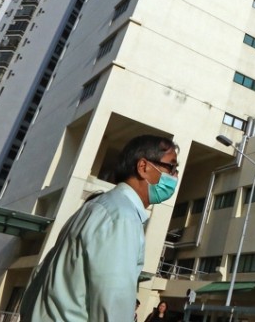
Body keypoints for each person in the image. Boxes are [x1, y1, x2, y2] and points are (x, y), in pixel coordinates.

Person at [20, 135, 180, 322]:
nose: (175, 176)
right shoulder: (122, 218)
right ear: (143, 167)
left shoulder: (96, 207)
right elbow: (113, 302)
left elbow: (39, 277)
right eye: (171, 167)